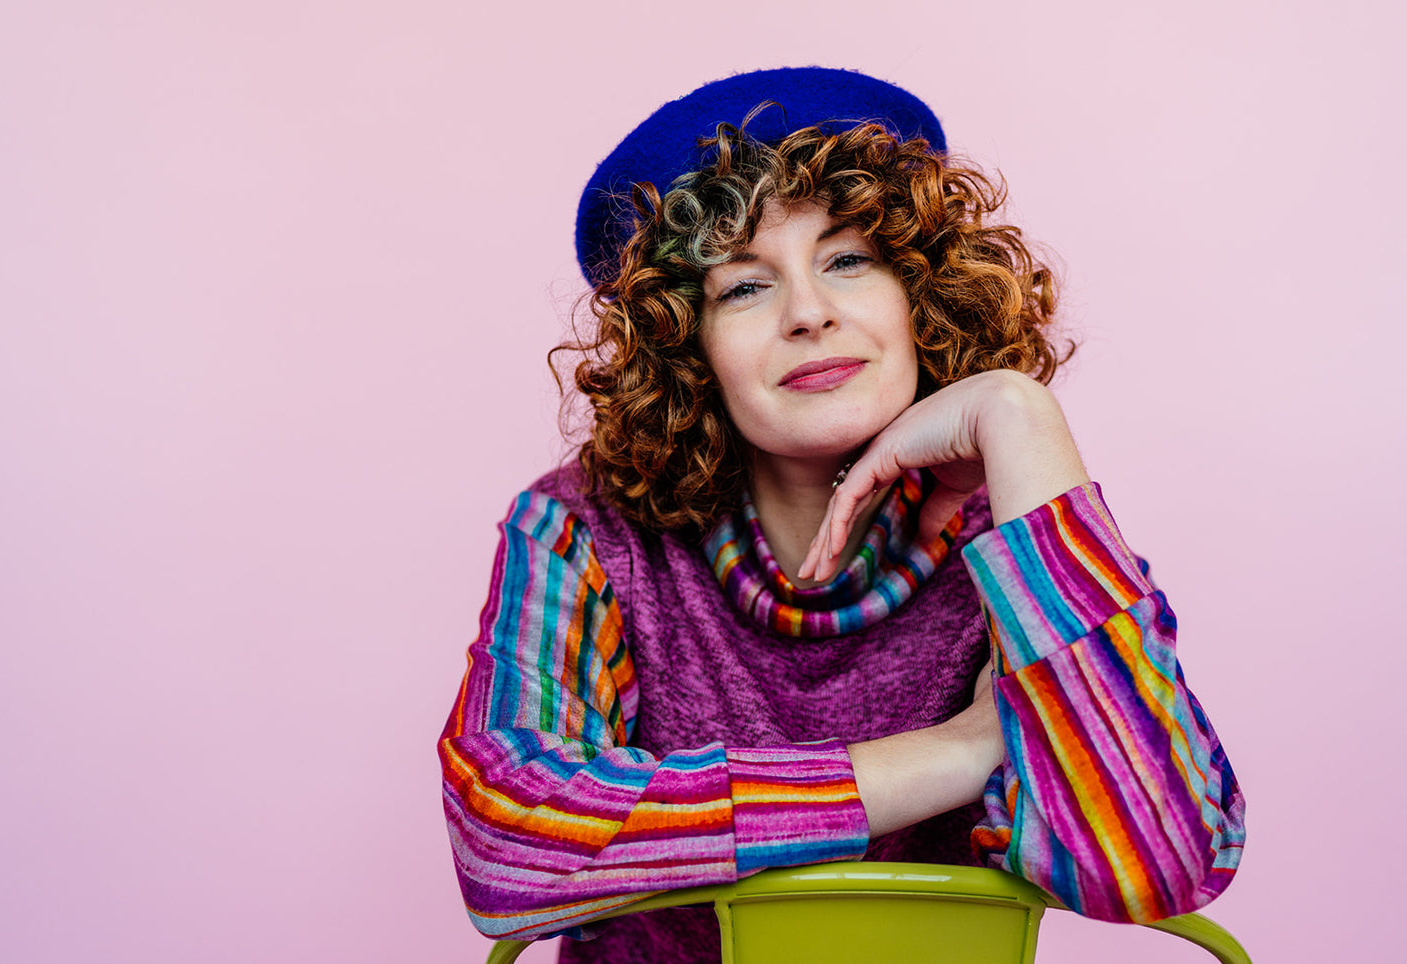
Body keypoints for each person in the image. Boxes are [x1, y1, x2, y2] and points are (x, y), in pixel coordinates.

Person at [438, 67, 1245, 963]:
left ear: (921, 294)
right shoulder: (582, 530)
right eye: (743, 287)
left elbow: (1158, 864)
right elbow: (506, 845)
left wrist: (1020, 417)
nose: (808, 315)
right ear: (686, 348)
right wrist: (958, 750)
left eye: (847, 260)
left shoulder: (1014, 535)